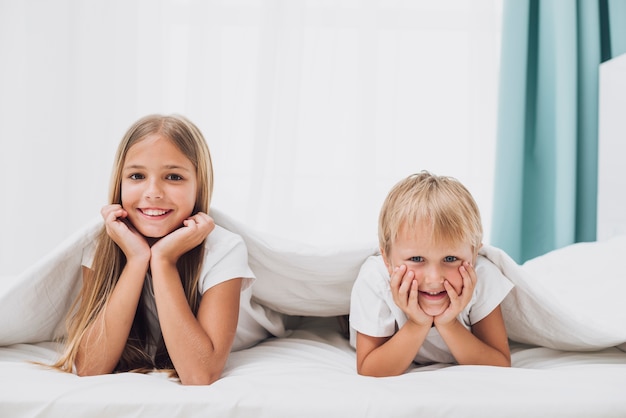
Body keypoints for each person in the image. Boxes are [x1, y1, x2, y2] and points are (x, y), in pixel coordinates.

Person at [52, 114, 274, 385]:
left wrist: (164, 261)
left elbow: (199, 374)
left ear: (199, 184)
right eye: (137, 176)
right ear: (119, 183)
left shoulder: (224, 248)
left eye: (173, 176)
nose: (153, 192)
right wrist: (136, 260)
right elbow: (89, 367)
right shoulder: (105, 242)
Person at [349, 171, 513, 377]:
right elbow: (369, 369)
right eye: (417, 259)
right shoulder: (375, 278)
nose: (434, 279)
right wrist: (418, 324)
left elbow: (500, 364)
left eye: (451, 259)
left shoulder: (481, 276)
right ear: (387, 259)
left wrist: (449, 324)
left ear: (474, 253)